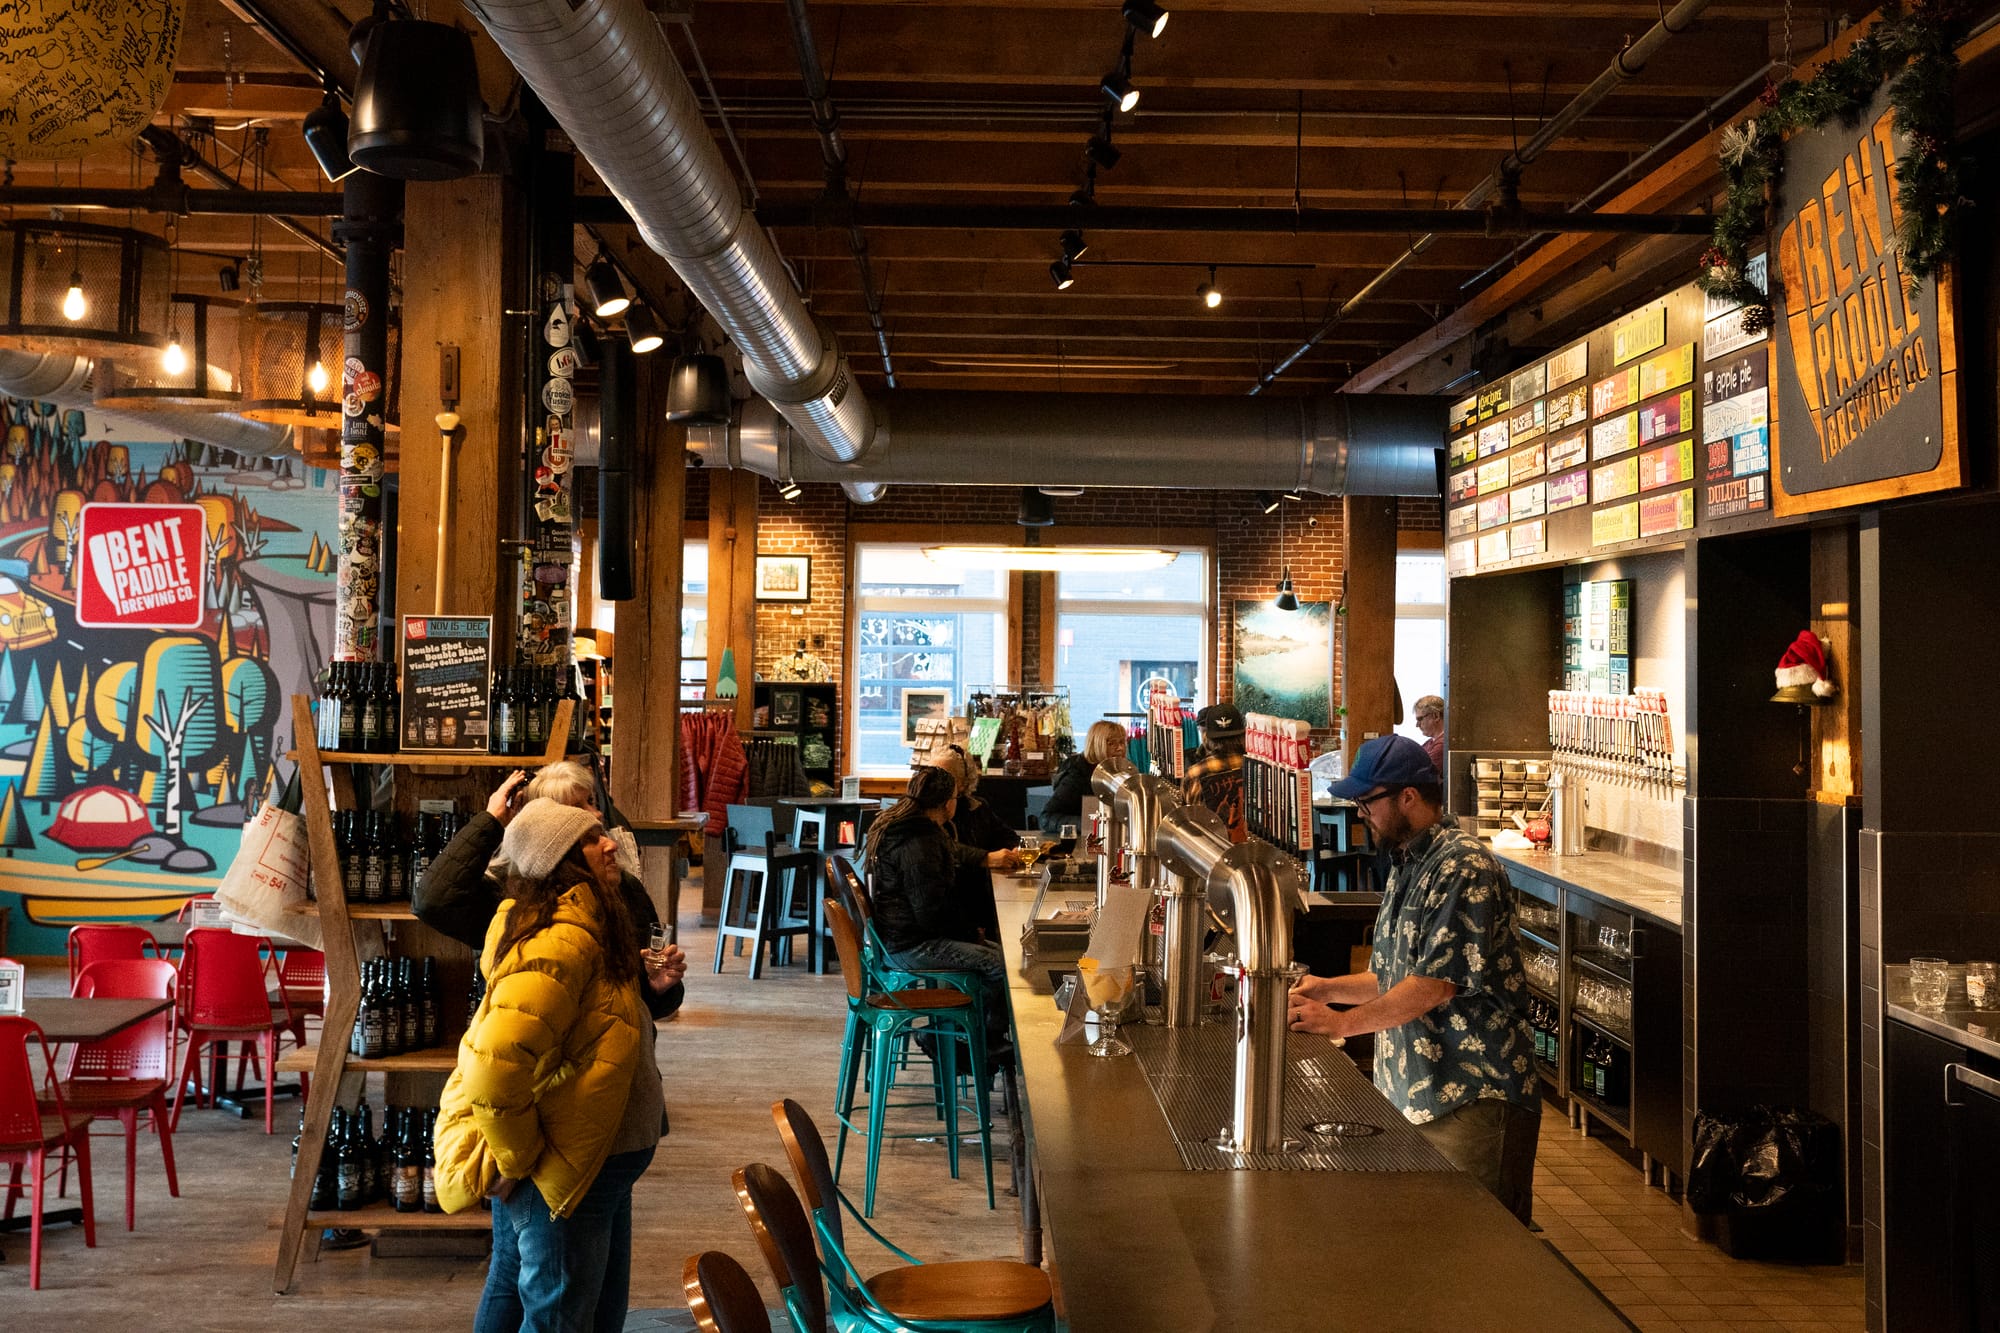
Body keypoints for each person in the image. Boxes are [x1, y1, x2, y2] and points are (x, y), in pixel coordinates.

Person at [1286, 735, 1541, 1224]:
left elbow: (1434, 986)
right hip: (1417, 1092)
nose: (1361, 813)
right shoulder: (1409, 861)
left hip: (1472, 1097)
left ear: (1408, 796)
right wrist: (1326, 988)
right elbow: (1395, 976)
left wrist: (1340, 1025)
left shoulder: (1464, 866)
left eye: (1367, 801)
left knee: (1482, 1252)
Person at [434, 800, 664, 1331]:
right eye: (591, 839)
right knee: (560, 1316)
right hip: (563, 1159)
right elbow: (495, 1064)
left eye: (603, 832)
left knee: (559, 1299)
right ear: (559, 862)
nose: (610, 844)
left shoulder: (590, 920)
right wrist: (517, 1159)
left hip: (592, 1152)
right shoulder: (560, 938)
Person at [416, 761, 687, 1021]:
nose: (596, 814)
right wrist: (491, 820)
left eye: (591, 802)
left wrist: (659, 987)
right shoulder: (510, 895)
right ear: (543, 825)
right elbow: (433, 900)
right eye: (576, 808)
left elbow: (642, 998)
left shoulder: (623, 886)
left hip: (618, 1055)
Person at [865, 765, 1018, 1055]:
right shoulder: (918, 843)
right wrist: (970, 932)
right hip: (911, 945)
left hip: (899, 938)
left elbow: (952, 851)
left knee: (999, 955)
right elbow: (929, 913)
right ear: (948, 801)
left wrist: (984, 859)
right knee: (1000, 964)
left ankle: (965, 1036)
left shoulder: (914, 827)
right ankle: (966, 1040)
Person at [1039, 719, 1127, 836]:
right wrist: (1087, 824)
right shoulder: (1076, 775)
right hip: (1082, 843)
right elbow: (1046, 818)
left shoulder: (1120, 773)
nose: (1120, 748)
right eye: (1111, 743)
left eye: (1122, 742)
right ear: (1096, 744)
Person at [932, 744, 1021, 854]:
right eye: (931, 774)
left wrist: (1016, 848)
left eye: (944, 776)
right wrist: (986, 858)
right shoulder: (928, 811)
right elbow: (942, 847)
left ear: (963, 782)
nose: (935, 781)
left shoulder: (977, 806)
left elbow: (1007, 837)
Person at [1183, 702, 1247, 841]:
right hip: (1253, 855)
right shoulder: (1258, 770)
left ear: (1208, 737)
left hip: (1209, 854)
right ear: (1242, 736)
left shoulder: (1195, 774)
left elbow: (1189, 822)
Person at [1413, 694, 1446, 774]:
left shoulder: (1442, 745)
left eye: (1420, 719)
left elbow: (1417, 775)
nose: (1417, 725)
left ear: (1436, 716)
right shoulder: (1429, 743)